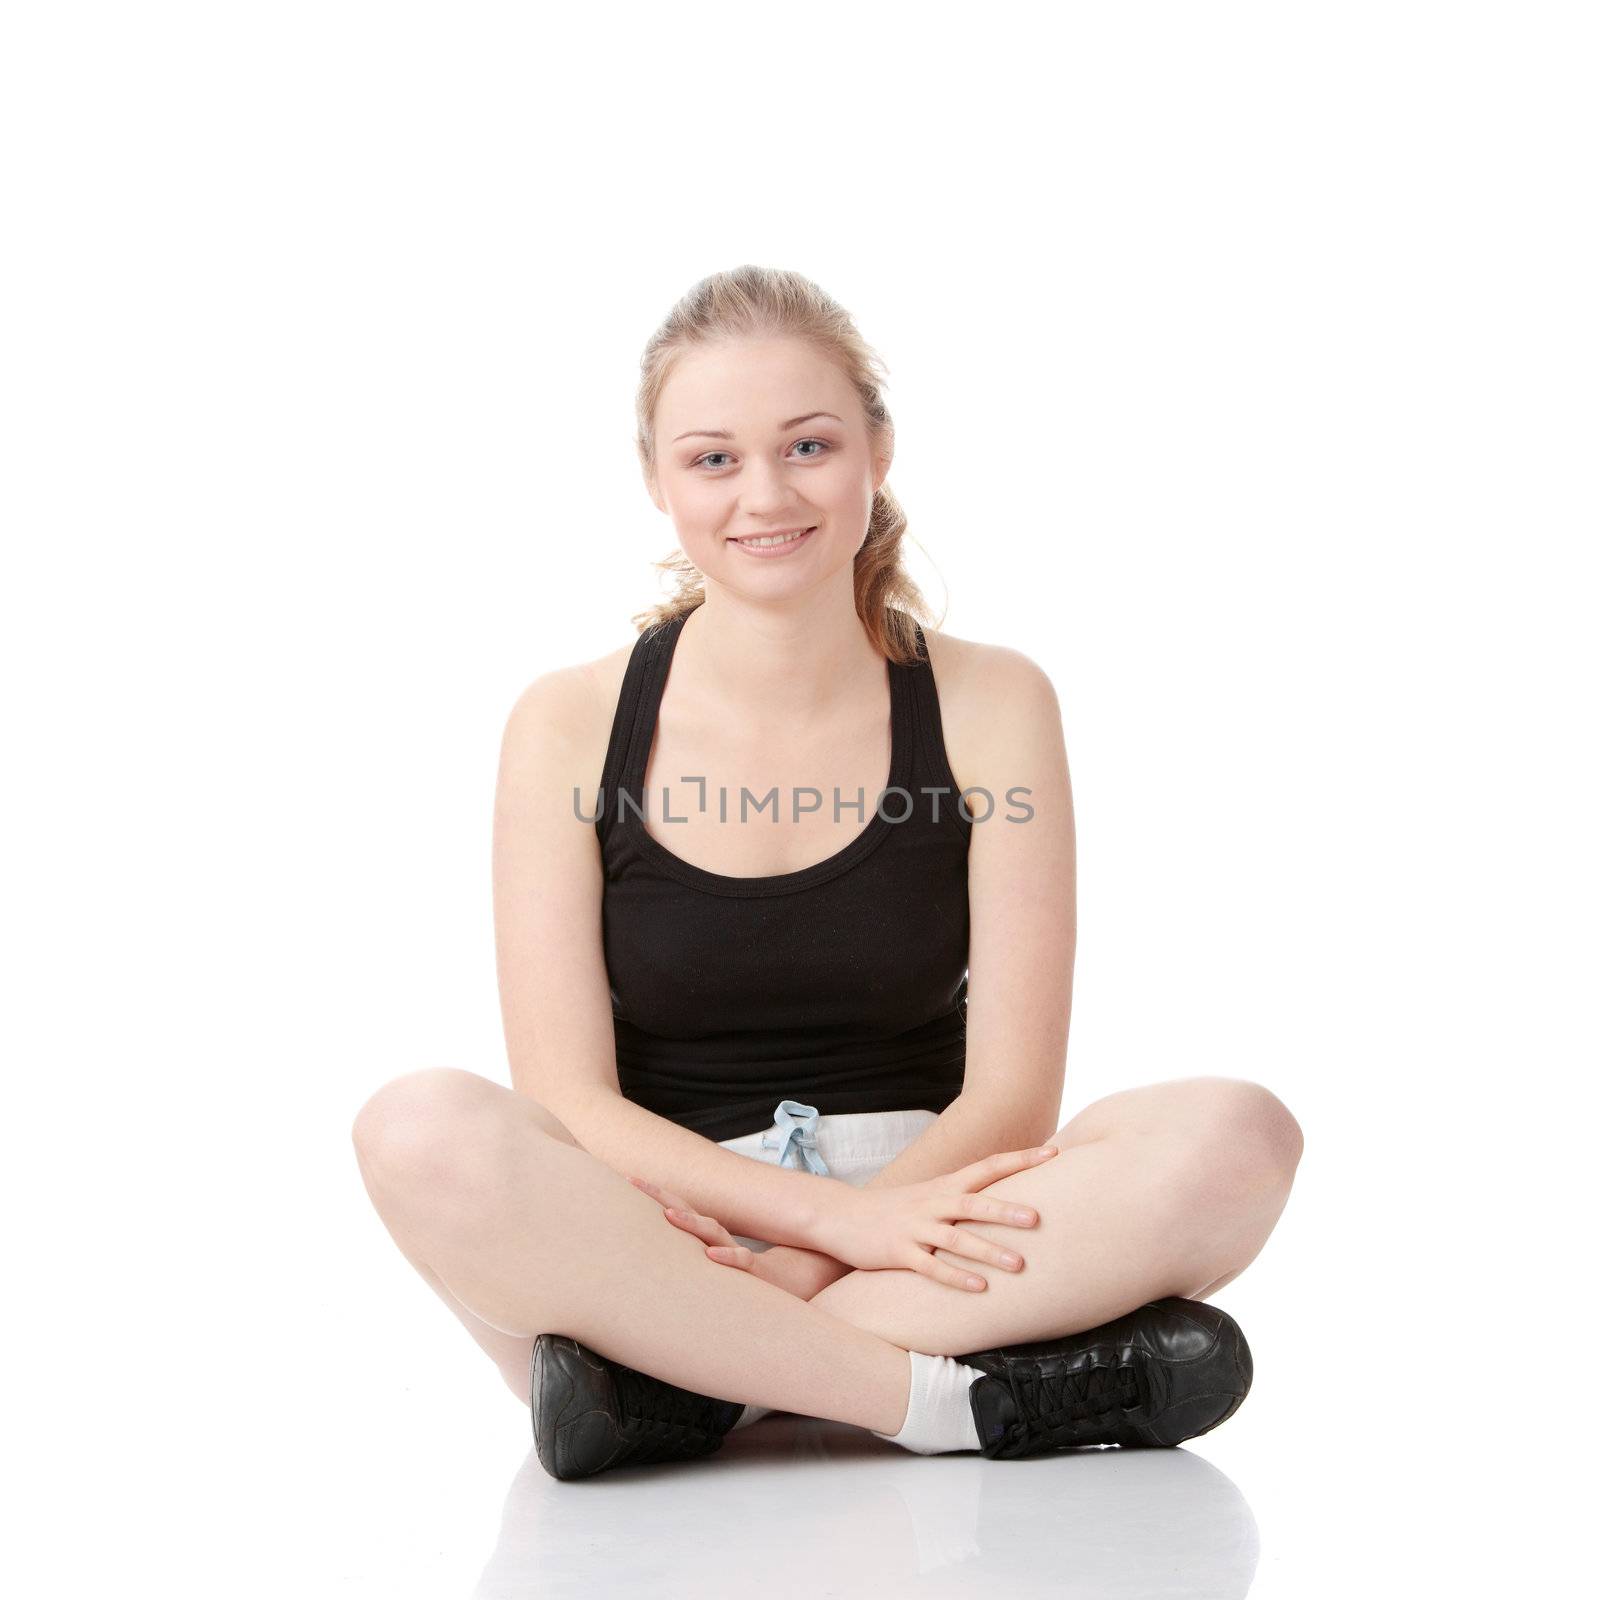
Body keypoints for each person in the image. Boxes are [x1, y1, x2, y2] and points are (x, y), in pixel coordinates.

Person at [351, 265, 1304, 1482]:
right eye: (712, 459)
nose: (764, 495)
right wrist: (810, 1229)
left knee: (1235, 1135)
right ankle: (956, 1403)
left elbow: (1010, 1097)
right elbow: (574, 1106)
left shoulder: (990, 698)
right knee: (419, 1129)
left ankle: (677, 1391)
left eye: (808, 445)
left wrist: (815, 1265)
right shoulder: (566, 722)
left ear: (877, 450)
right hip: (662, 1231)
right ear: (655, 477)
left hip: (931, 1215)